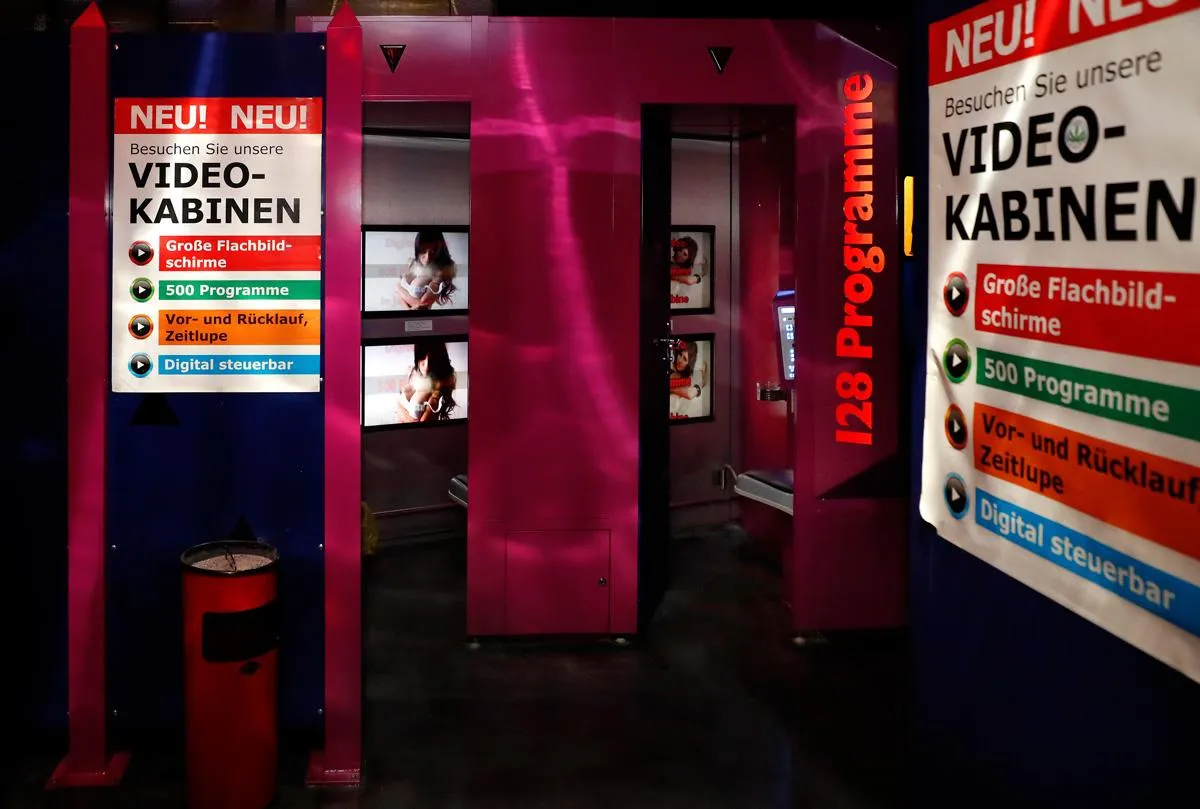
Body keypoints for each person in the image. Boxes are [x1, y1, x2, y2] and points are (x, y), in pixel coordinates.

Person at [395, 339, 459, 423]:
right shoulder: (413, 373)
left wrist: (400, 410)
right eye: (422, 356)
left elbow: (418, 424)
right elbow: (398, 404)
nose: (427, 365)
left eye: (432, 359)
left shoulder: (437, 391)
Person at [397, 230, 459, 310]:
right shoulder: (413, 265)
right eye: (423, 251)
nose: (427, 258)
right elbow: (397, 289)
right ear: (417, 250)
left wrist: (400, 291)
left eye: (433, 252)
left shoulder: (438, 274)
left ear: (439, 252)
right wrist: (407, 310)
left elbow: (422, 304)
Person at [669, 340, 708, 420]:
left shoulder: (691, 378)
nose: (679, 360)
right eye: (679, 355)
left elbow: (690, 393)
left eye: (685, 359)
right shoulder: (670, 371)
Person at [669, 235, 704, 306]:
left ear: (688, 258)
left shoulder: (685, 268)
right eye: (680, 250)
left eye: (684, 254)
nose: (679, 254)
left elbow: (689, 279)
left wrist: (697, 278)